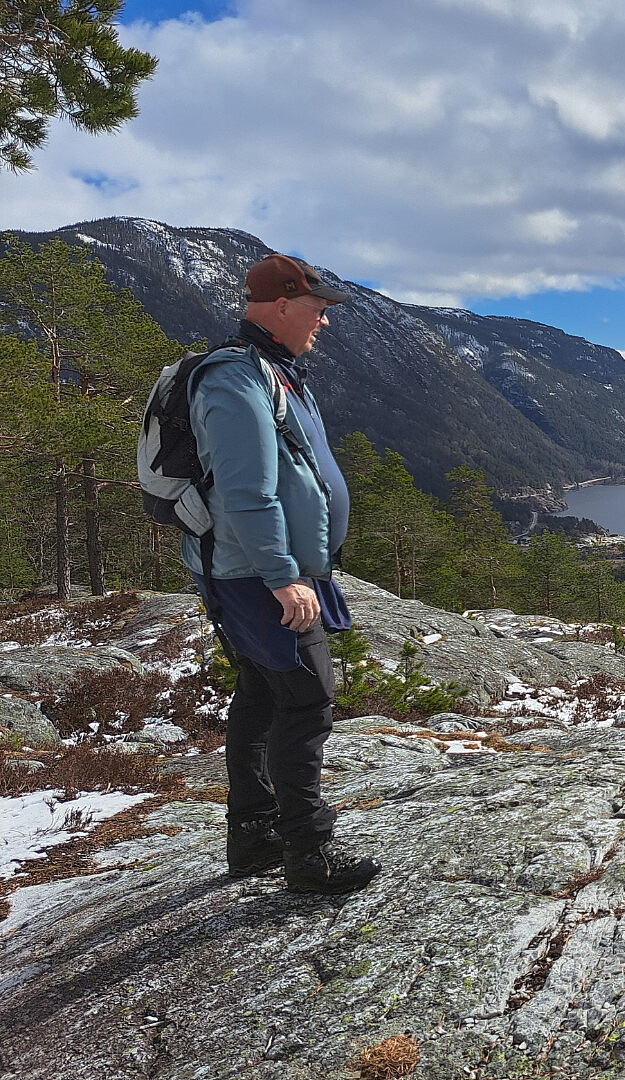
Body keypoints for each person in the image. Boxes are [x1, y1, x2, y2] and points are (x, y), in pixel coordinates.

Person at [185, 252, 380, 895]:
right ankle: (309, 851)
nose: (325, 321)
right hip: (256, 573)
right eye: (318, 309)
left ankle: (254, 836)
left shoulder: (275, 373)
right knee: (306, 695)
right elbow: (246, 492)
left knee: (263, 693)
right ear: (283, 306)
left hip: (268, 569)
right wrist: (282, 575)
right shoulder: (235, 381)